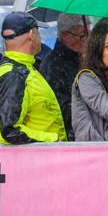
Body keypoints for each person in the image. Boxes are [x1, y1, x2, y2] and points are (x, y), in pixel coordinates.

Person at [0, 11, 66, 144]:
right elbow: (8, 131)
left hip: (48, 158)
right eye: (38, 32)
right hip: (38, 160)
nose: (40, 37)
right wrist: (52, 139)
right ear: (31, 34)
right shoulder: (12, 73)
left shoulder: (27, 67)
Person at [40, 13, 91, 141]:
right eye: (83, 35)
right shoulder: (52, 66)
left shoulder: (85, 60)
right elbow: (59, 109)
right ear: (66, 36)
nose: (88, 39)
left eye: (90, 33)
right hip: (68, 139)